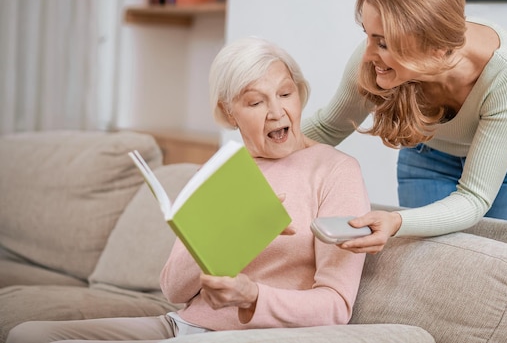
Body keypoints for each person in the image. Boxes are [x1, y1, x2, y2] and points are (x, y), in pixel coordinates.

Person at [7, 37, 370, 343]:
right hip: (179, 326)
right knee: (28, 334)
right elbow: (174, 290)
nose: (277, 112)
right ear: (230, 114)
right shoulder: (224, 173)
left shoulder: (335, 171)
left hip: (246, 336)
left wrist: (252, 295)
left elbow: (336, 305)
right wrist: (228, 231)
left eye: (285, 93)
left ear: (300, 94)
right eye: (256, 102)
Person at [302, 0, 507, 254]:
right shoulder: (376, 59)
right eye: (368, 37)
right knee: (431, 264)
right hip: (430, 152)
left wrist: (397, 222)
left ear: (433, 49)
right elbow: (328, 127)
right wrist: (248, 166)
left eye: (382, 43)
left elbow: (474, 198)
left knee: (495, 265)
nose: (368, 54)